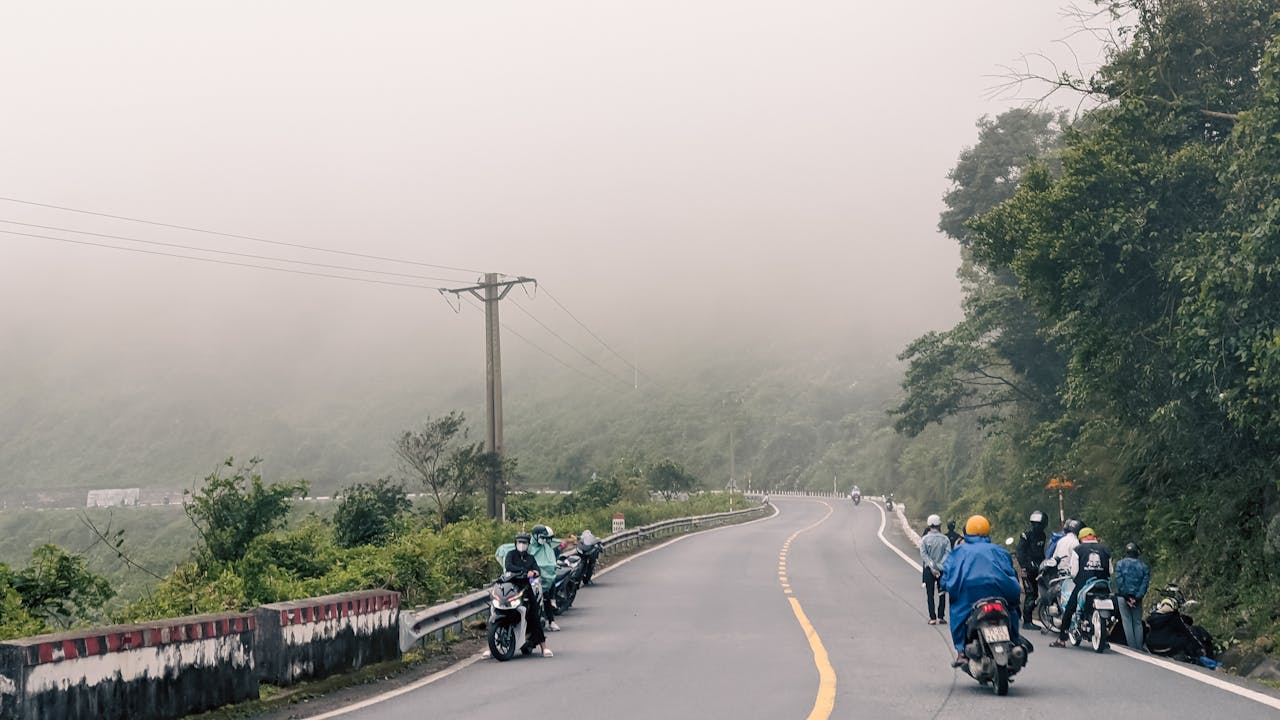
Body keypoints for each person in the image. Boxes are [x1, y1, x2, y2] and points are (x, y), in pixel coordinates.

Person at [940, 515, 1023, 666]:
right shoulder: (999, 550)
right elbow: (1010, 571)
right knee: (1012, 610)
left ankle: (961, 652)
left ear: (967, 531)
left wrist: (944, 584)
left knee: (957, 614)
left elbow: (948, 574)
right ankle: (1015, 642)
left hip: (971, 595)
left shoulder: (959, 552)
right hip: (1000, 590)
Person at [1052, 527, 1111, 647]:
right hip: (1103, 585)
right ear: (1094, 537)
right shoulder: (1105, 549)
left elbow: (1074, 572)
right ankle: (1105, 641)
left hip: (1084, 586)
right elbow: (1111, 570)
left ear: (1081, 538)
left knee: (1070, 609)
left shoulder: (1078, 550)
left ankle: (1062, 639)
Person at [494, 533, 552, 657]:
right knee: (496, 610)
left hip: (525, 588)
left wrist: (534, 573)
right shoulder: (511, 555)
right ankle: (491, 647)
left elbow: (537, 570)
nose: (521, 545)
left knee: (534, 615)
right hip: (510, 587)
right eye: (519, 542)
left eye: (524, 543)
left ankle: (544, 647)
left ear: (528, 545)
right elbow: (509, 566)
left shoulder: (531, 558)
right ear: (515, 543)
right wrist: (525, 572)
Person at [1113, 542, 1150, 649]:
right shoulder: (1143, 567)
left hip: (1123, 598)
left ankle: (1131, 647)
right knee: (1137, 622)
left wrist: (1126, 597)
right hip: (1137, 599)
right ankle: (1138, 647)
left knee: (1127, 621)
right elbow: (1144, 584)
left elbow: (1120, 582)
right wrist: (1137, 598)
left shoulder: (1120, 564)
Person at [1015, 510, 1048, 629]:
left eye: (1038, 523)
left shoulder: (1042, 536)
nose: (1037, 526)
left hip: (1039, 568)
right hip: (1028, 569)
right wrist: (1025, 566)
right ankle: (1027, 621)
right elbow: (1020, 553)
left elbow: (1040, 552)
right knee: (1030, 594)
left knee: (1040, 592)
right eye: (1035, 523)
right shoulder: (1026, 536)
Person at [919, 514, 950, 625]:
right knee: (942, 593)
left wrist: (932, 567)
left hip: (929, 570)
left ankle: (932, 618)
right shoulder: (945, 539)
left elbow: (924, 555)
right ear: (939, 525)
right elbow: (947, 554)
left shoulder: (924, 539)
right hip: (942, 570)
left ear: (929, 525)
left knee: (930, 593)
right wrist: (939, 566)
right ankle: (941, 616)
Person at [530, 524, 561, 631]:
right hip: (529, 578)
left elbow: (551, 562)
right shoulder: (528, 546)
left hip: (542, 579)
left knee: (546, 597)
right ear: (535, 536)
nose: (543, 540)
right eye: (541, 537)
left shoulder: (546, 548)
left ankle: (551, 621)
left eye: (545, 538)